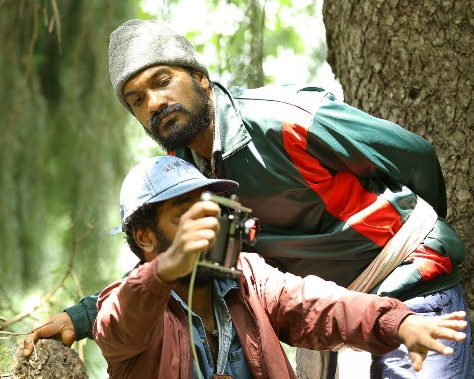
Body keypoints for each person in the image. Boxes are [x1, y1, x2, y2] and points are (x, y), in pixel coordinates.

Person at [24, 19, 473, 378]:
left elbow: (415, 155)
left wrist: (425, 245)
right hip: (334, 314)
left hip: (412, 291)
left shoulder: (284, 119)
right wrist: (84, 315)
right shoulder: (187, 176)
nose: (154, 103)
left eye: (163, 81)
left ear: (200, 77)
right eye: (137, 99)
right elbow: (177, 260)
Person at [97, 155, 466, 378]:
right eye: (186, 218)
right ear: (145, 238)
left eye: (210, 212)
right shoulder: (125, 304)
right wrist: (165, 269)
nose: (208, 229)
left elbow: (314, 304)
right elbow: (120, 324)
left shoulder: (246, 276)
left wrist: (397, 322)